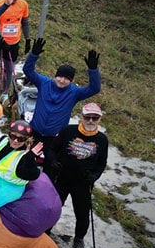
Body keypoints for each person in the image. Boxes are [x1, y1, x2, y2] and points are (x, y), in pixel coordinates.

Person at [24, 38, 101, 180]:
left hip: (55, 137)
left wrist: (93, 70)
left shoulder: (74, 93)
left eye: (66, 78)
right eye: (59, 76)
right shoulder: (44, 83)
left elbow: (94, 88)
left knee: (51, 167)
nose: (62, 80)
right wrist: (33, 54)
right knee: (27, 161)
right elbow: (28, 71)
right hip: (35, 131)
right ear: (55, 76)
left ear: (71, 81)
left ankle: (46, 190)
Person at [51, 102, 108, 248]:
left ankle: (79, 239)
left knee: (82, 214)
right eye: (87, 117)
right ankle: (46, 229)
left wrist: (95, 176)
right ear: (81, 117)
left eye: (94, 118)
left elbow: (102, 162)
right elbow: (53, 148)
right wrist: (53, 162)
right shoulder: (68, 131)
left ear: (99, 120)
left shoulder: (102, 139)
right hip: (63, 178)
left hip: (83, 183)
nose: (90, 121)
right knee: (54, 207)